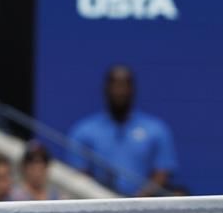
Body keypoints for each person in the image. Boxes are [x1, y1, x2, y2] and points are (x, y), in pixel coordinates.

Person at [65, 64, 177, 196]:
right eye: (115, 85)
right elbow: (79, 174)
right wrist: (103, 199)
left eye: (124, 85)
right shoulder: (83, 131)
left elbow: (162, 172)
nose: (120, 92)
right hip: (98, 206)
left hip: (145, 209)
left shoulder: (156, 130)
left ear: (132, 90)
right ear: (105, 89)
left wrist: (137, 201)